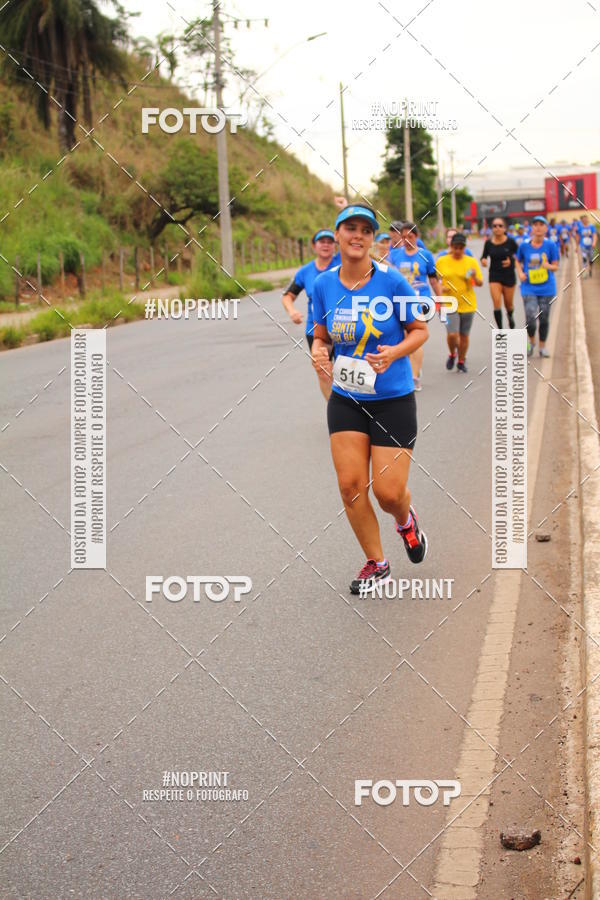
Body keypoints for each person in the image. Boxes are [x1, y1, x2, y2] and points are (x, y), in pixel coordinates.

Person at [311, 204, 429, 595]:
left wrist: (394, 353)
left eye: (365, 229)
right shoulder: (324, 285)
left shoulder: (392, 281)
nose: (357, 235)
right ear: (338, 234)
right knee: (350, 486)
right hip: (347, 398)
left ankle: (406, 520)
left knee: (388, 493)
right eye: (350, 228)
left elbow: (419, 329)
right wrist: (318, 349)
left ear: (371, 238)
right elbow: (322, 333)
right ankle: (378, 564)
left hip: (393, 398)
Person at [282, 229, 339, 400]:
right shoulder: (305, 272)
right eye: (322, 242)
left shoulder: (343, 263)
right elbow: (287, 296)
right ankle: (334, 409)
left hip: (346, 327)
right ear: (314, 246)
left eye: (330, 242)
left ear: (335, 245)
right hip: (316, 331)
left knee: (350, 371)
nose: (326, 245)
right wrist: (292, 311)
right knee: (323, 371)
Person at [388, 222, 441, 390]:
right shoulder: (395, 255)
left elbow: (433, 279)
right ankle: (413, 368)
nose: (407, 240)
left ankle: (414, 377)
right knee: (404, 337)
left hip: (421, 301)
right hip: (400, 301)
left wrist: (440, 300)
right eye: (404, 237)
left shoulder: (426, 255)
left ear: (416, 237)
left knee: (414, 335)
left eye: (410, 236)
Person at [436, 232, 483, 373]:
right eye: (455, 247)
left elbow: (480, 283)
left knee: (464, 336)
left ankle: (461, 360)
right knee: (452, 334)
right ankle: (452, 354)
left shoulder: (471, 262)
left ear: (464, 248)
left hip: (467, 303)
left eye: (460, 248)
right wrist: (441, 288)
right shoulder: (442, 261)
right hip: (448, 303)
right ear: (451, 247)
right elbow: (435, 281)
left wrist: (474, 276)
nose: (457, 251)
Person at [515, 215, 559, 358]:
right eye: (536, 225)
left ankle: (542, 347)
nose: (538, 227)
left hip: (547, 288)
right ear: (531, 228)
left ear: (546, 228)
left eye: (541, 224)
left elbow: (556, 266)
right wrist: (520, 273)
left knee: (544, 318)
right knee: (530, 317)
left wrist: (548, 266)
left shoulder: (551, 245)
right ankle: (532, 342)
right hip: (529, 287)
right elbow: (517, 260)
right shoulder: (524, 245)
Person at [480, 217, 518, 329]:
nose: (497, 228)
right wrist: (483, 260)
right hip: (494, 275)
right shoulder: (488, 243)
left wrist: (511, 261)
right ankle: (500, 330)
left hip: (509, 275)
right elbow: (484, 256)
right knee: (496, 303)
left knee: (508, 305)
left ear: (504, 228)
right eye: (494, 226)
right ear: (492, 229)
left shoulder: (511, 242)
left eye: (500, 226)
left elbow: (519, 256)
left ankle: (510, 316)